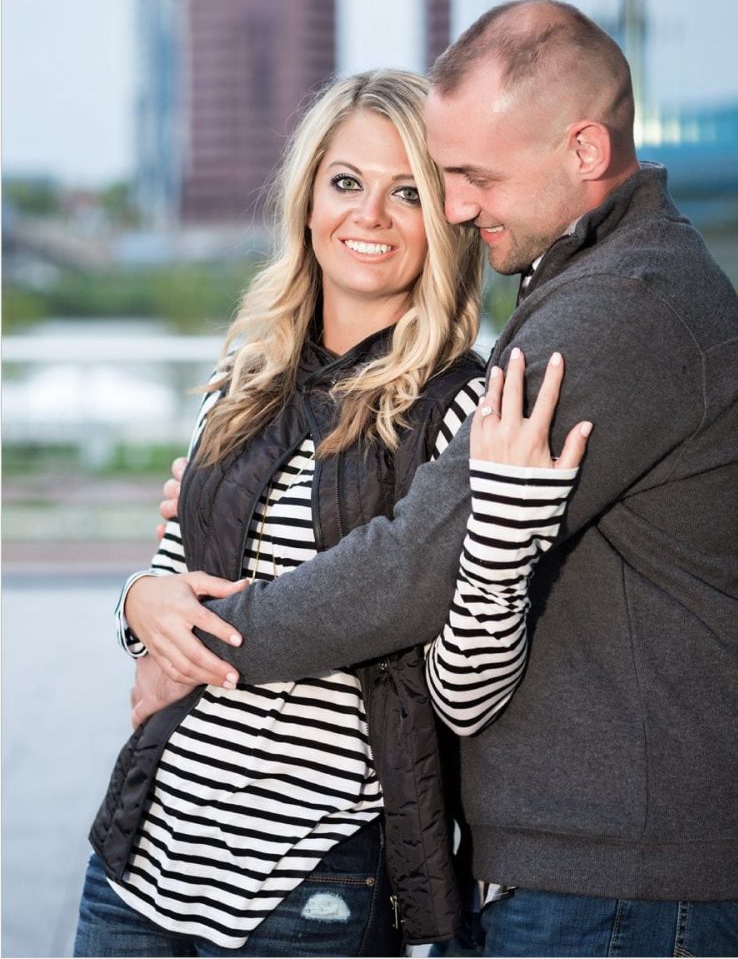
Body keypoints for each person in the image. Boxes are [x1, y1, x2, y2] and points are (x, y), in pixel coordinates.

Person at [123, 0, 738, 958]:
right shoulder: (584, 289)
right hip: (583, 868)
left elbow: (412, 570)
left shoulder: (619, 307)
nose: (462, 206)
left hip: (623, 878)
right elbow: (190, 548)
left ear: (585, 150)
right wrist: (146, 597)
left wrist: (190, 642)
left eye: (462, 179)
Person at [74, 69, 550, 955]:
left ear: (444, 221)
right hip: (143, 859)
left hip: (311, 884)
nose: (368, 215)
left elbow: (471, 689)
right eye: (346, 182)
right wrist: (138, 600)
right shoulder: (244, 383)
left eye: (406, 191)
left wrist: (506, 540)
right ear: (307, 201)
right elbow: (174, 589)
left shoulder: (463, 409)